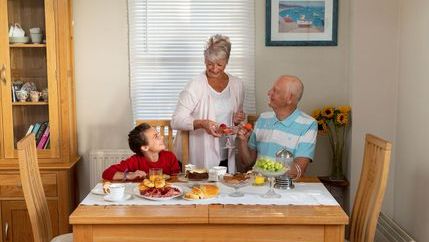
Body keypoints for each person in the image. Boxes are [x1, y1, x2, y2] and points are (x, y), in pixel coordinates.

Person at [171, 34, 245, 172]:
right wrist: (202, 123)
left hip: (226, 151)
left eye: (219, 64)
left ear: (227, 61)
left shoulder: (237, 85)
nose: (214, 69)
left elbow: (235, 121)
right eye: (210, 64)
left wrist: (236, 120)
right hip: (199, 154)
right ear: (204, 60)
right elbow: (176, 120)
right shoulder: (195, 85)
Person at [237, 75, 317, 177]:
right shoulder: (263, 118)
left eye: (275, 91)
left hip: (284, 188)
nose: (269, 93)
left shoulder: (308, 124)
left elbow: (299, 170)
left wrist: (268, 170)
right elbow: (247, 162)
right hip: (258, 184)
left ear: (289, 98)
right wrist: (243, 141)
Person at [102, 123, 181, 181]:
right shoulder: (134, 161)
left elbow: (177, 180)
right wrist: (129, 175)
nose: (162, 137)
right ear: (145, 147)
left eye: (158, 134)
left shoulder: (170, 157)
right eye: (156, 136)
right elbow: (107, 173)